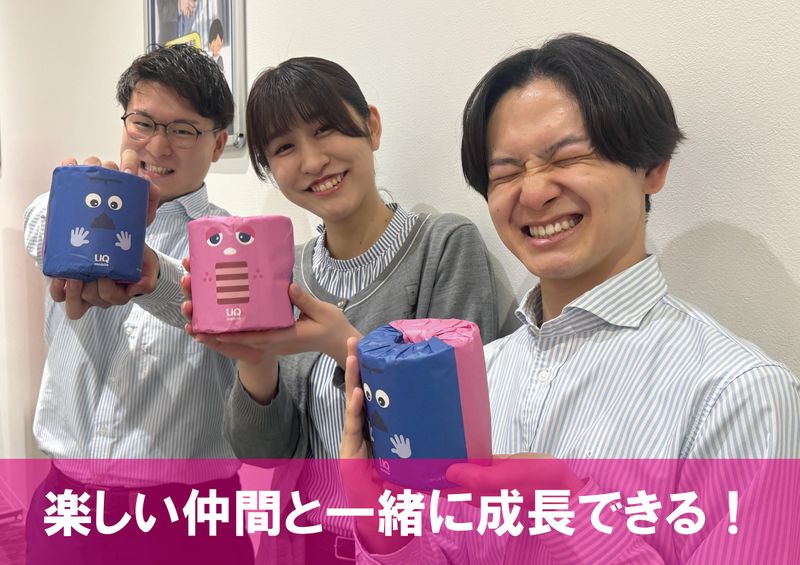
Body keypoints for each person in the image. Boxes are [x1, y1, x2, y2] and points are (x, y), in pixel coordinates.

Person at [339, 34, 800, 563]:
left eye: (571, 156)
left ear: (652, 167)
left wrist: (567, 512)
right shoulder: (480, 372)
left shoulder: (742, 395)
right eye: (506, 173)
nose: (534, 193)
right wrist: (382, 529)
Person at [184, 56, 500, 564]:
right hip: (304, 545)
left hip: (407, 548)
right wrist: (255, 357)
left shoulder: (443, 247)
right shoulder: (288, 274)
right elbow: (264, 452)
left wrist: (344, 346)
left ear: (371, 126)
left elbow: (454, 440)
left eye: (324, 129)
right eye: (284, 147)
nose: (312, 161)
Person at [23, 44, 252, 564]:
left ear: (218, 144)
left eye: (183, 130)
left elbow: (217, 313)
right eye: (143, 123)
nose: (158, 145)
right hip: (69, 509)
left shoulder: (235, 242)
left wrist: (149, 274)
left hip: (192, 521)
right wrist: (74, 209)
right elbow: (37, 224)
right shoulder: (82, 207)